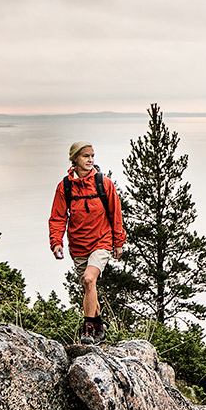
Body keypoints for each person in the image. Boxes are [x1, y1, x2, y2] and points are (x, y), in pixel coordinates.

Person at [49, 142, 126, 344]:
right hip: (78, 244)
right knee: (88, 287)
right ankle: (99, 326)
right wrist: (57, 242)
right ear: (75, 159)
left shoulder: (104, 183)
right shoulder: (65, 186)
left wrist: (118, 242)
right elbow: (57, 217)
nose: (90, 160)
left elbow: (115, 214)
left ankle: (88, 331)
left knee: (89, 280)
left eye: (92, 155)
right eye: (85, 156)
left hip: (102, 240)